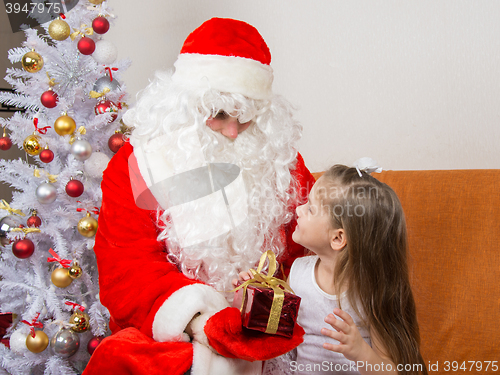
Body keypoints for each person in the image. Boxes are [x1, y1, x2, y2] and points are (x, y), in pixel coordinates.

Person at [82, 18, 316, 375]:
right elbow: (127, 267)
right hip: (174, 330)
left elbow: (310, 251)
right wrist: (198, 320)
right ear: (186, 106)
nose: (234, 131)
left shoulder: (282, 160)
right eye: (219, 114)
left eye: (247, 118)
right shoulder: (137, 163)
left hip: (263, 330)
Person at [242, 164, 427, 374]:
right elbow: (276, 328)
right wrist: (250, 296)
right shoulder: (299, 273)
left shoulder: (371, 293)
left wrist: (361, 352)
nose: (298, 209)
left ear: (338, 238)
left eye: (310, 208)